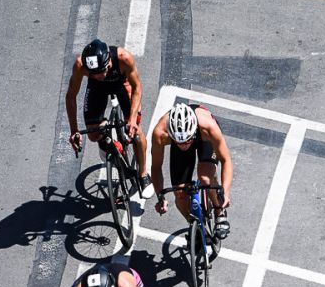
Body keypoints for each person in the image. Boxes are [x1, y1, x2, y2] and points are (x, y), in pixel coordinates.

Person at [66, 38, 155, 199]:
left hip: (121, 84)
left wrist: (132, 119)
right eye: (93, 73)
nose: (99, 76)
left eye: (102, 71)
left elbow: (137, 87)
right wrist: (74, 130)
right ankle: (105, 141)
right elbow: (71, 97)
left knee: (135, 131)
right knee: (93, 134)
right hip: (96, 89)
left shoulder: (124, 58)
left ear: (108, 61)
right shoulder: (81, 65)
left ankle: (143, 175)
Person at [151, 101, 233, 236]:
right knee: (180, 194)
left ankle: (219, 211)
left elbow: (226, 160)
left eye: (187, 141)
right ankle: (194, 224)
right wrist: (160, 196)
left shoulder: (208, 127)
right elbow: (156, 167)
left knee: (206, 178)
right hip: (184, 138)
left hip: (203, 140)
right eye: (180, 142)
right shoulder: (160, 133)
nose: (184, 145)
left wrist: (225, 192)